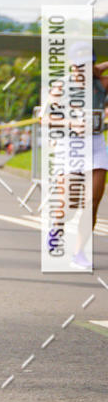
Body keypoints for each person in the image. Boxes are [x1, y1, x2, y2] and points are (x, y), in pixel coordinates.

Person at [71, 57, 108, 269]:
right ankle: (57, 226)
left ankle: (79, 251)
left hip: (95, 144)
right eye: (78, 65)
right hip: (70, 147)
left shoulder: (100, 84)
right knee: (68, 205)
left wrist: (100, 67)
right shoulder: (62, 85)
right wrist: (69, 122)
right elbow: (44, 117)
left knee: (92, 202)